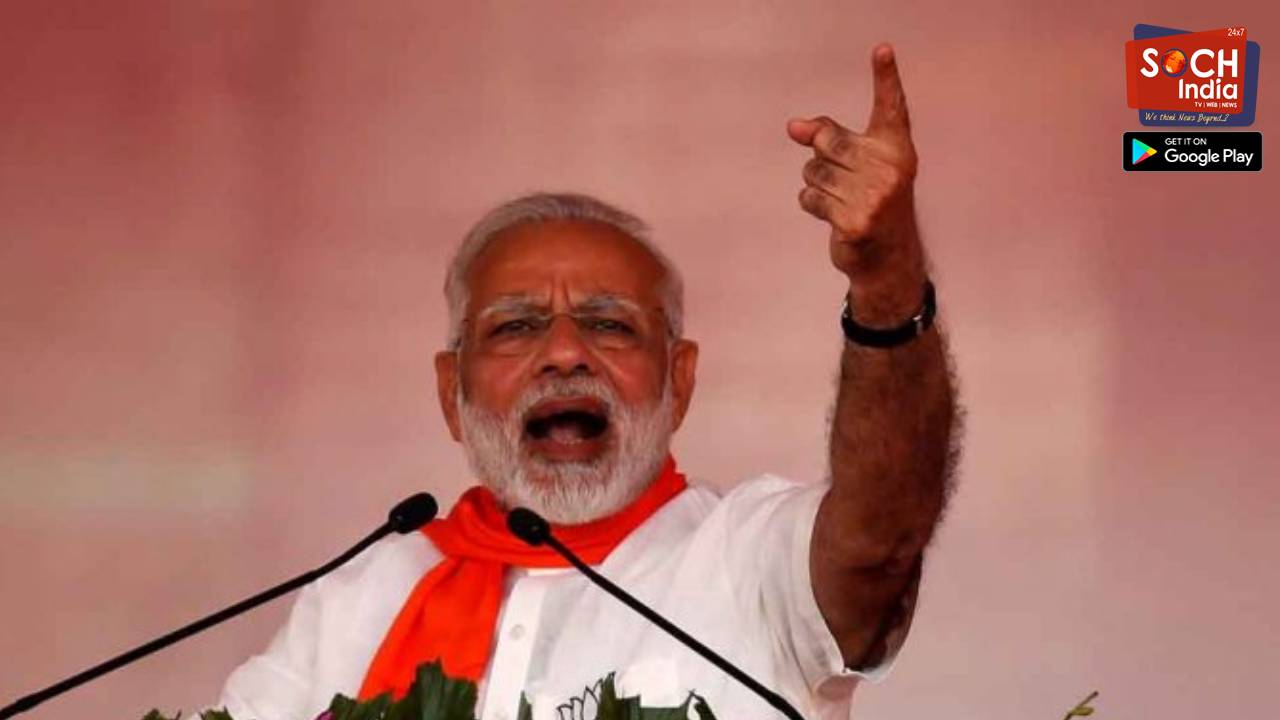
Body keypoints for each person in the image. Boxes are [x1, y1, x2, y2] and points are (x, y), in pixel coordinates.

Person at [215, 44, 957, 720]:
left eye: (609, 325)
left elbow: (881, 540)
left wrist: (888, 281)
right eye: (516, 326)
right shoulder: (360, 599)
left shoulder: (748, 562)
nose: (565, 353)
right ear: (450, 395)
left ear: (680, 382)